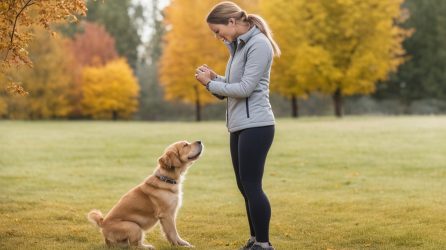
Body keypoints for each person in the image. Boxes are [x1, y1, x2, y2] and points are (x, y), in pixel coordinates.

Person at [194, 2, 281, 250]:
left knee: (252, 185)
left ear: (232, 22)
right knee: (244, 186)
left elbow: (244, 89)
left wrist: (211, 85)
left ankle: (264, 244)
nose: (217, 36)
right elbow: (233, 86)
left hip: (257, 126)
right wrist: (214, 79)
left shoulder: (258, 45)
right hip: (240, 125)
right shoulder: (239, 47)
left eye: (217, 30)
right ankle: (254, 240)